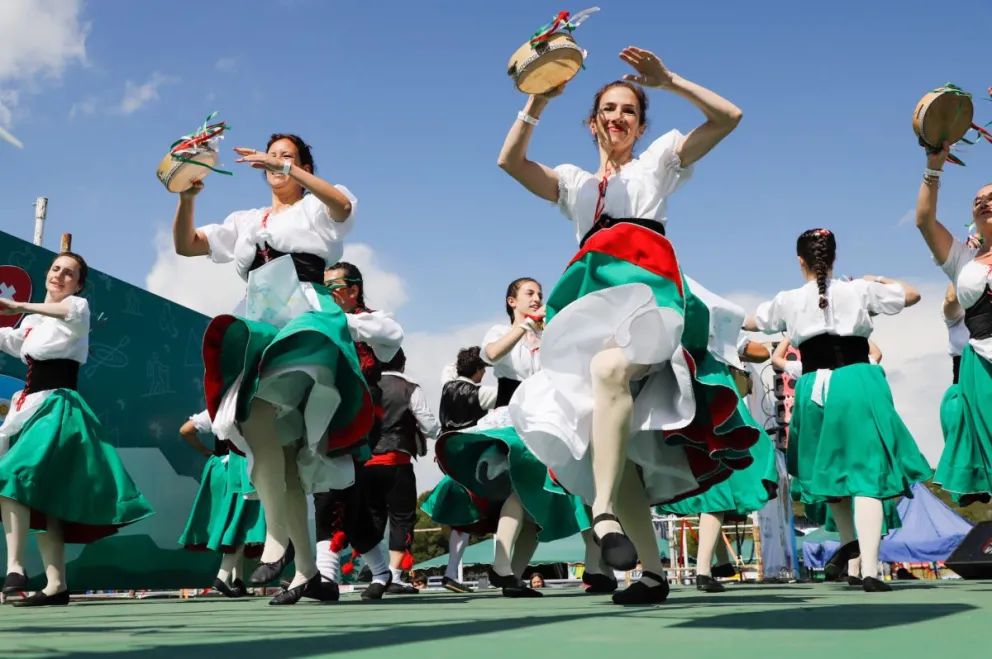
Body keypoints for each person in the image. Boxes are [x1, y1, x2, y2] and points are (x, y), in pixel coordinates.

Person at [499, 46, 760, 605]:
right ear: (592, 121)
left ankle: (602, 512)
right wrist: (537, 101)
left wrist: (669, 81)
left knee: (611, 368)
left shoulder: (659, 162)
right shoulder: (573, 183)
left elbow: (729, 117)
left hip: (653, 296)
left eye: (629, 111)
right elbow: (510, 163)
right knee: (612, 446)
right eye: (607, 109)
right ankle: (652, 573)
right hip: (589, 304)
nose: (617, 117)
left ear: (641, 125)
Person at [171, 133, 368, 605]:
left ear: (303, 165)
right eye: (273, 158)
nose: (279, 164)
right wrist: (187, 197)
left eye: (290, 157)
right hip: (258, 315)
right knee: (268, 434)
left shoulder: (315, 208)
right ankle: (305, 573)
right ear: (259, 170)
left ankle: (276, 539)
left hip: (304, 314)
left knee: (273, 412)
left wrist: (290, 170)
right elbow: (186, 245)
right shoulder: (245, 221)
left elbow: (341, 204)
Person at [744, 228, 932, 592]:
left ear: (800, 260)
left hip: (814, 387)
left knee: (829, 474)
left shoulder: (788, 299)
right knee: (866, 477)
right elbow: (913, 294)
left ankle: (850, 546)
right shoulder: (858, 289)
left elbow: (751, 321)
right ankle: (870, 568)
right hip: (858, 380)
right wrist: (874, 278)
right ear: (833, 258)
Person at [423, 278, 605, 599]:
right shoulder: (500, 332)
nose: (537, 299)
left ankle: (515, 574)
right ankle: (506, 567)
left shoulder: (550, 334)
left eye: (539, 294)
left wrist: (552, 332)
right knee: (525, 493)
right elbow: (490, 355)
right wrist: (524, 327)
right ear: (512, 301)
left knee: (567, 494)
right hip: (518, 419)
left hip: (551, 420)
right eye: (529, 294)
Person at [0, 252, 154, 606]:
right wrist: (19, 312)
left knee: (11, 477)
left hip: (58, 406)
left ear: (79, 284)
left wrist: (17, 304)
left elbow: (65, 312)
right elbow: (11, 339)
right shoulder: (34, 319)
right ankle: (56, 586)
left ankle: (15, 568)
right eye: (56, 269)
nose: (59, 276)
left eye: (69, 273)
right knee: (46, 499)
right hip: (31, 406)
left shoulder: (77, 308)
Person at [657, 333, 778, 593]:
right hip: (713, 390)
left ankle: (721, 561)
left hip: (677, 395)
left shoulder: (669, 313)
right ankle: (703, 571)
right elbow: (761, 353)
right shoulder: (715, 316)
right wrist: (735, 343)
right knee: (719, 483)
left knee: (709, 483)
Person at [313, 261, 405, 600]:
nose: (326, 295)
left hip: (359, 417)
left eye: (332, 287)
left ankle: (325, 575)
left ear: (353, 290)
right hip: (324, 413)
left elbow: (392, 337)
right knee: (351, 499)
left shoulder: (376, 321)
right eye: (322, 289)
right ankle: (381, 573)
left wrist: (331, 321)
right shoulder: (318, 321)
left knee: (332, 487)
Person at [915, 143, 992, 506]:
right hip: (980, 365)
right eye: (978, 199)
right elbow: (924, 221)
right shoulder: (962, 259)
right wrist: (934, 166)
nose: (984, 201)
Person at [368, 348, 440, 593]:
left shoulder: (364, 386)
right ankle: (395, 577)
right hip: (397, 461)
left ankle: (377, 573)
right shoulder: (409, 388)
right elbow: (431, 427)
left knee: (371, 519)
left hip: (364, 464)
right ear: (404, 362)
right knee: (401, 518)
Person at [177, 409, 266, 598]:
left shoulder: (216, 409)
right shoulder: (250, 407)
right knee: (242, 524)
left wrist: (205, 452)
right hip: (240, 470)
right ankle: (222, 577)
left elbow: (185, 430)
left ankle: (238, 580)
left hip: (219, 468)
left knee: (237, 522)